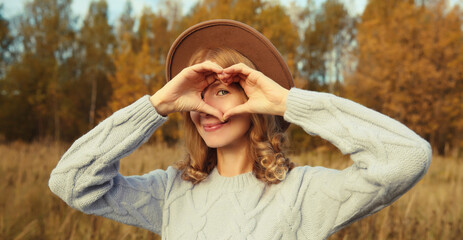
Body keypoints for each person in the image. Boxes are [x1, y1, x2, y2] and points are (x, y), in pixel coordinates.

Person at [49, 20, 432, 239]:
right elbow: (71, 182)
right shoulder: (169, 193)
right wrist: (156, 106)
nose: (205, 108)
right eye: (195, 96)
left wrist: (289, 103)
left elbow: (406, 157)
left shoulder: (304, 194)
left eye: (222, 91)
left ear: (254, 100)